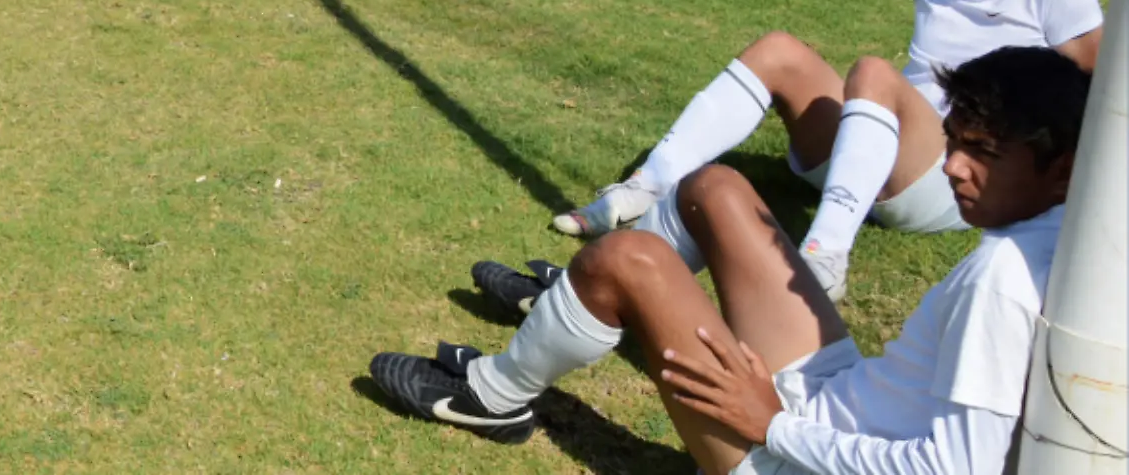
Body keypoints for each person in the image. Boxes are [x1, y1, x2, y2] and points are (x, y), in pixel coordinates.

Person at [367, 44, 1091, 475]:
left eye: (986, 154)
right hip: (837, 404)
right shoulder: (1078, 235)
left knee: (627, 257)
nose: (956, 168)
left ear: (1062, 168)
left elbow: (954, 468)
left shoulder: (1004, 276)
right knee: (715, 190)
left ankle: (497, 396)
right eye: (956, 141)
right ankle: (591, 313)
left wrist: (771, 422)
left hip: (792, 455)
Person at [546, 0, 1101, 299]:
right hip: (879, 152)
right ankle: (647, 185)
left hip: (952, 179)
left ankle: (824, 254)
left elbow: (1090, 104)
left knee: (874, 73)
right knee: (778, 49)